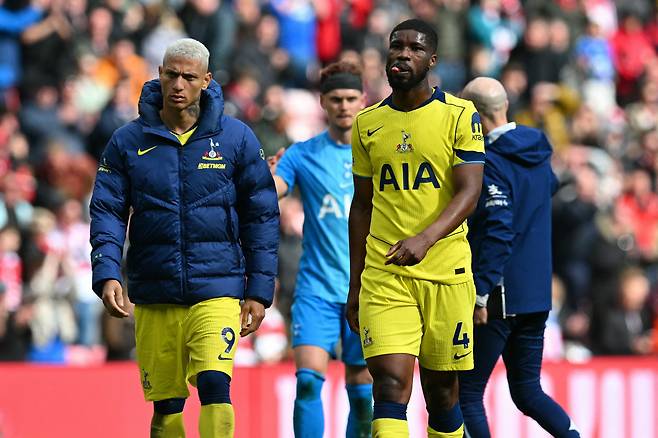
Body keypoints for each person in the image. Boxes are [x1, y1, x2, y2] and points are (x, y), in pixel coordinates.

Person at [89, 38, 279, 438]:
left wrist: (259, 291)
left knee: (215, 386)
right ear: (158, 74)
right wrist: (106, 273)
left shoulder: (237, 139)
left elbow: (260, 216)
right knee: (168, 404)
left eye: (189, 77)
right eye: (171, 74)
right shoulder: (127, 141)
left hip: (218, 288)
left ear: (206, 81)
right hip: (155, 289)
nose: (178, 84)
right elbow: (107, 211)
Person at [347, 19, 485, 438]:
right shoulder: (367, 123)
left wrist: (426, 239)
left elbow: (469, 191)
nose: (403, 54)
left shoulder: (460, 115)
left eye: (415, 48)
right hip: (386, 274)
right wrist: (355, 285)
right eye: (396, 46)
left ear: (433, 60)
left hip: (446, 273)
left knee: (442, 394)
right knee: (389, 386)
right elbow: (362, 206)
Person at [459, 77, 580, 437]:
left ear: (476, 116)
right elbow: (551, 186)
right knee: (527, 390)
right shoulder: (538, 150)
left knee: (466, 393)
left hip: (500, 294)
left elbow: (499, 229)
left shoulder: (490, 161)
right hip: (538, 293)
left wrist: (480, 291)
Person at [268, 61, 373, 438]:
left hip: (368, 290)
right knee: (309, 382)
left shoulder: (378, 154)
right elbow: (274, 188)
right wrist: (265, 175)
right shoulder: (304, 154)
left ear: (363, 100)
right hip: (316, 289)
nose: (344, 106)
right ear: (322, 103)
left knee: (363, 395)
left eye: (350, 98)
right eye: (335, 99)